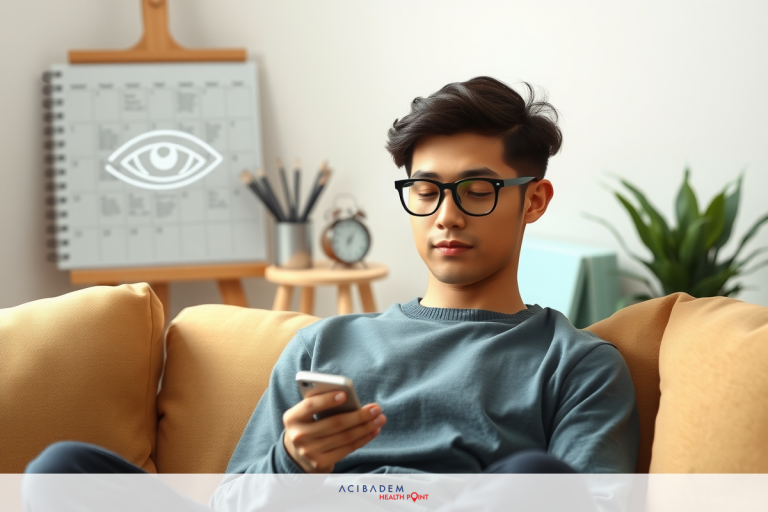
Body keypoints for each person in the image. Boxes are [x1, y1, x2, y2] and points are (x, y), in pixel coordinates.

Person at [24, 76, 639, 511]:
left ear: (533, 200)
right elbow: (233, 504)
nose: (445, 216)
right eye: (426, 189)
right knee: (59, 472)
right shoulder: (326, 344)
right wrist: (295, 462)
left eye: (477, 189)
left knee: (537, 482)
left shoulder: (577, 364)